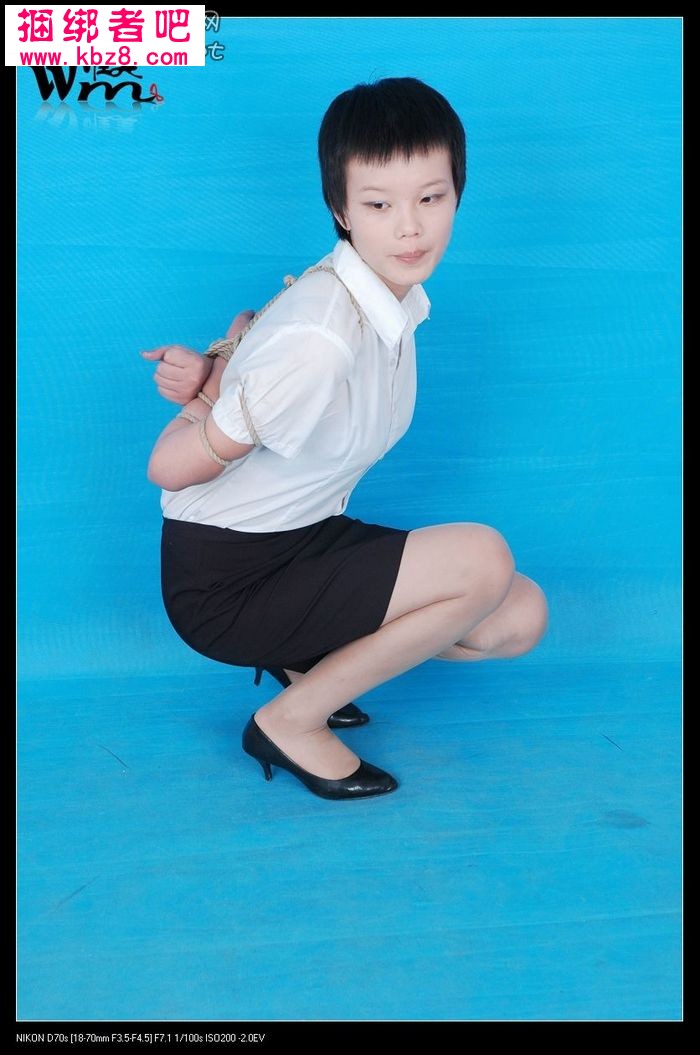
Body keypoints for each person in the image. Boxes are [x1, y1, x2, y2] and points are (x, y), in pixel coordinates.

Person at [142, 77, 549, 802]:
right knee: (482, 559)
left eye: (431, 198)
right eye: (379, 205)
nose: (410, 229)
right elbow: (167, 469)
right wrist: (210, 385)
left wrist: (227, 362)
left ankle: (306, 664)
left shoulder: (388, 301)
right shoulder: (321, 337)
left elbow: (255, 344)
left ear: (458, 194)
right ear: (341, 208)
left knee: (518, 618)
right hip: (227, 580)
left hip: (300, 540)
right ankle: (289, 721)